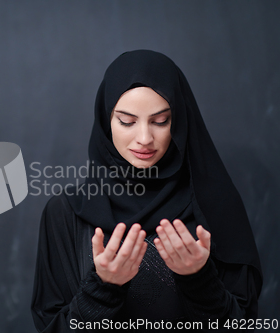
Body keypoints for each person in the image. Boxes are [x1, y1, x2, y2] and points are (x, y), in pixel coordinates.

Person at [31, 50, 262, 332]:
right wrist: (103, 288)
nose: (144, 138)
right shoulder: (66, 212)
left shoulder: (215, 205)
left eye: (160, 121)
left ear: (178, 121)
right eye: (127, 121)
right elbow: (51, 326)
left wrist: (199, 279)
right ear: (106, 122)